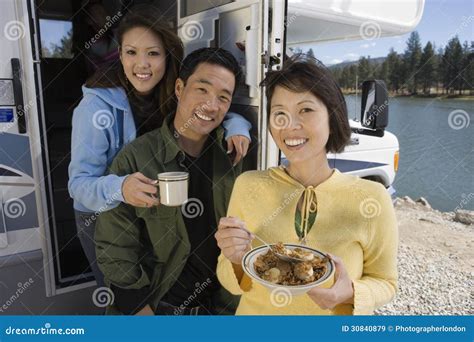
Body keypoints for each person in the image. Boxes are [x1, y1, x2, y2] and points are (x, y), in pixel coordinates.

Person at [68, 6, 252, 288]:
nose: (142, 64)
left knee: (149, 279)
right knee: (118, 288)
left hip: (142, 207)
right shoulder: (94, 108)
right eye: (131, 52)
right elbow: (79, 185)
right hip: (100, 210)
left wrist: (238, 125)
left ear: (167, 56)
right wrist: (121, 188)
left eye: (152, 53)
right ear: (120, 56)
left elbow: (210, 111)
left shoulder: (170, 92)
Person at [215, 54, 398, 315]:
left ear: (332, 117)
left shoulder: (372, 197)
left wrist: (350, 292)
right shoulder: (247, 185)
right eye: (279, 113)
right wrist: (234, 259)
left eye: (306, 110)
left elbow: (386, 283)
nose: (289, 125)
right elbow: (228, 279)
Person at [95, 47, 250, 316]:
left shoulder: (234, 156)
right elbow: (115, 247)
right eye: (202, 89)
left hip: (223, 309)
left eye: (223, 98)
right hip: (159, 308)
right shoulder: (135, 158)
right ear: (179, 88)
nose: (212, 105)